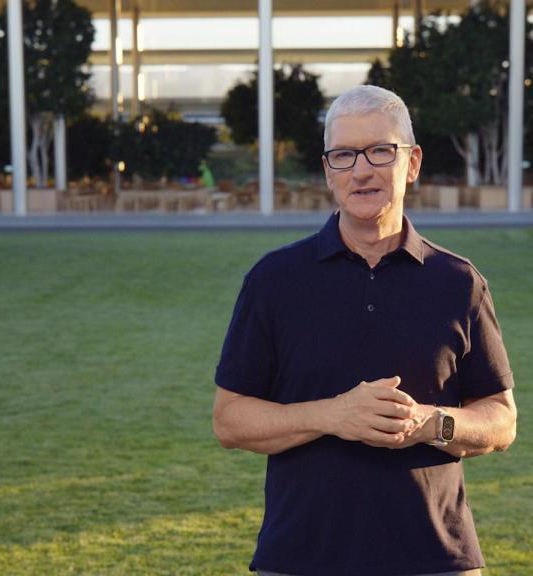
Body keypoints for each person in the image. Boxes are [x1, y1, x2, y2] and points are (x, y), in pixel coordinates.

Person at [212, 85, 517, 576]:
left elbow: (501, 420)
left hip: (435, 559)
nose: (360, 170)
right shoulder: (274, 281)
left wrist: (427, 423)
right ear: (327, 170)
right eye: (343, 155)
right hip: (302, 558)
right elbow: (230, 420)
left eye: (380, 151)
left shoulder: (459, 283)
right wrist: (335, 415)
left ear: (412, 163)